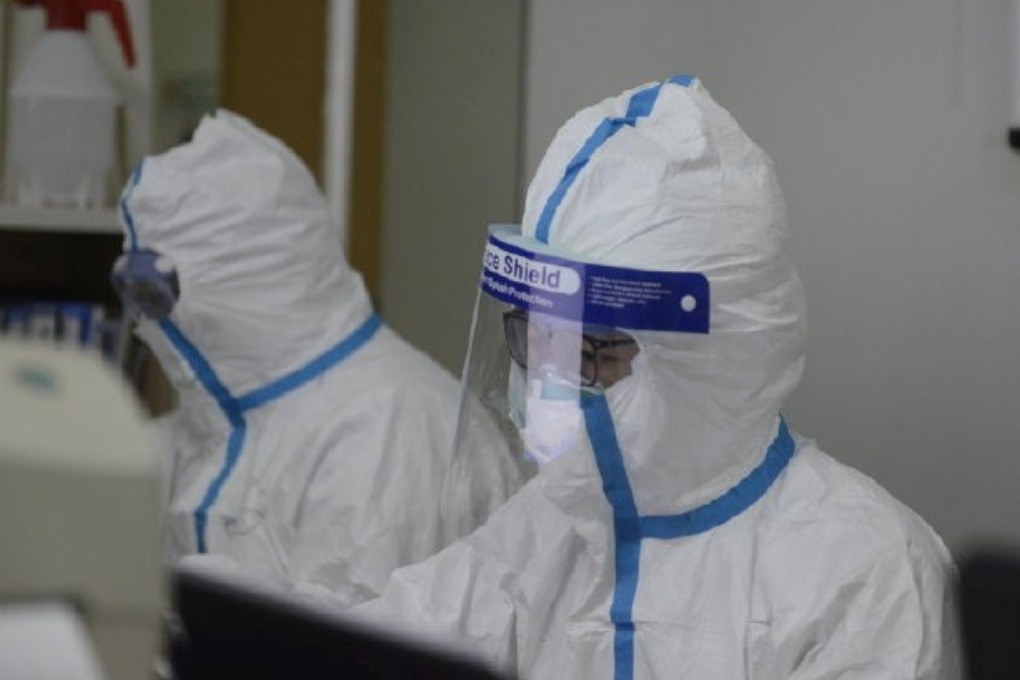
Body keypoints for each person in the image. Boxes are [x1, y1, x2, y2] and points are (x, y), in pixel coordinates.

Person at [352, 76, 963, 678]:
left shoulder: (866, 571)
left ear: (702, 370)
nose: (547, 386)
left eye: (590, 352)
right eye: (533, 338)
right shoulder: (550, 527)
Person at [110, 110, 525, 605]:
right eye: (132, 292)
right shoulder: (221, 427)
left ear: (242, 281)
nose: (145, 321)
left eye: (156, 293)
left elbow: (350, 657)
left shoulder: (388, 435)